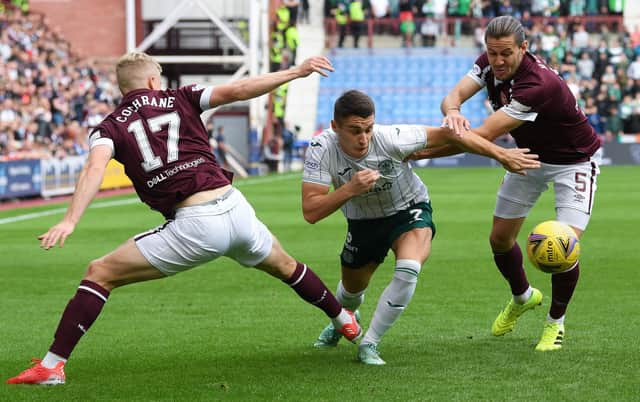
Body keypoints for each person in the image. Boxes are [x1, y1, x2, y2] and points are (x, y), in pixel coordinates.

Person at [6, 52, 362, 386]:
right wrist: (296, 72)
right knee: (287, 266)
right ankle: (344, 320)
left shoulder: (108, 127)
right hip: (235, 206)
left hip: (194, 223)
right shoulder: (181, 96)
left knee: (100, 273)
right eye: (158, 78)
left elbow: (94, 168)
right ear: (150, 81)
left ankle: (52, 365)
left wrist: (70, 220)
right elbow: (238, 90)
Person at [303, 89, 540, 365]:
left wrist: (502, 155)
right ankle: (342, 319)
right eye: (355, 131)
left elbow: (452, 135)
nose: (363, 138)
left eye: (368, 129)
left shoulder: (391, 137)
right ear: (335, 127)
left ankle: (369, 343)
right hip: (362, 221)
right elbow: (311, 211)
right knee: (352, 291)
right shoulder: (321, 149)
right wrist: (350, 190)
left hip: (409, 208)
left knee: (409, 267)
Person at [408, 16, 602, 351]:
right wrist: (453, 111)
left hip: (574, 162)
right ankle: (523, 297)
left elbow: (481, 136)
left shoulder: (537, 84)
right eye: (492, 52)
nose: (497, 61)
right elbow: (453, 96)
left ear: (524, 49)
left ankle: (555, 323)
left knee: (564, 246)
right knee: (499, 239)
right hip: (527, 156)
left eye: (506, 54)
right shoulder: (487, 63)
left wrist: (416, 151)